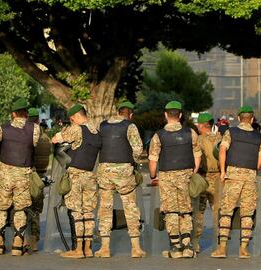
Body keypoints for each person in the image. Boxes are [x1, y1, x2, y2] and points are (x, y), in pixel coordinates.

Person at [0, 98, 40, 255]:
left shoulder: (4, 128)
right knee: (20, 209)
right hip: (24, 173)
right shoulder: (34, 129)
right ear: (26, 113)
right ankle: (18, 242)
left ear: (13, 113)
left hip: (6, 174)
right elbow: (34, 144)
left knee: (2, 207)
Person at [148, 101, 200, 259]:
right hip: (186, 175)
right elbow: (198, 156)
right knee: (186, 210)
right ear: (181, 115)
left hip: (166, 176)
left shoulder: (158, 135)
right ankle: (187, 246)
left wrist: (153, 175)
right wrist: (193, 172)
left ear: (165, 115)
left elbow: (152, 160)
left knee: (171, 210)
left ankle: (175, 247)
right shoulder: (191, 133)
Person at [212, 105, 261, 259]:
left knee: (227, 211)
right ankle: (244, 249)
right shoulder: (258, 136)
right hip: (250, 176)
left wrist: (223, 171)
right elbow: (260, 160)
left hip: (232, 175)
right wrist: (250, 169)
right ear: (252, 119)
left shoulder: (231, 132)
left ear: (238, 118)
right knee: (247, 213)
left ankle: (222, 249)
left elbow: (222, 150)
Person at [94, 101, 145, 258]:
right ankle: (136, 248)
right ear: (130, 114)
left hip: (104, 171)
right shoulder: (130, 126)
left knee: (105, 208)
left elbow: (97, 145)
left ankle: (104, 248)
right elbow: (138, 149)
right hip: (124, 171)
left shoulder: (101, 125)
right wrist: (134, 161)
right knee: (130, 207)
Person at [51, 103, 101, 259]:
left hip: (76, 175)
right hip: (91, 176)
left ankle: (78, 250)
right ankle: (88, 248)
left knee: (77, 212)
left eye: (72, 119)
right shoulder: (95, 130)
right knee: (88, 213)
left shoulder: (77, 129)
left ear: (76, 116)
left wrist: (61, 134)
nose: (72, 122)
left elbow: (55, 139)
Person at [194, 112, 222, 255]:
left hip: (202, 177)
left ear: (201, 125)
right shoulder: (221, 138)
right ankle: (220, 243)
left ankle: (196, 243)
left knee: (199, 211)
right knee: (218, 210)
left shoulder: (198, 140)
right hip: (217, 178)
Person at [27, 107, 51, 252]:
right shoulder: (45, 138)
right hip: (40, 177)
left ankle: (22, 239)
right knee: (36, 210)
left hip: (27, 173)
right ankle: (34, 240)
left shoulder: (27, 135)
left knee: (23, 208)